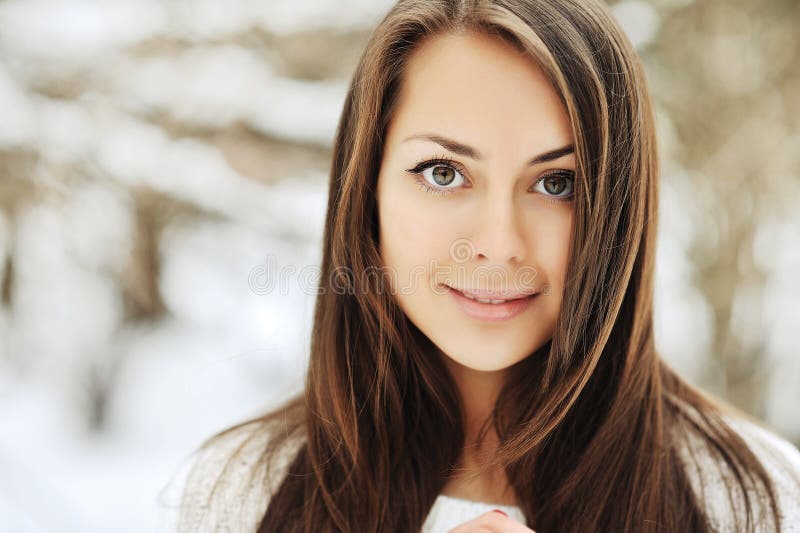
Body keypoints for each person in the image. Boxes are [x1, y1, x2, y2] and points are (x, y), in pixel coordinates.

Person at [162, 0, 800, 531]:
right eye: (444, 173)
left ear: (619, 208)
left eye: (557, 183)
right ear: (366, 192)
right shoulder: (240, 493)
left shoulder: (751, 498)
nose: (499, 244)